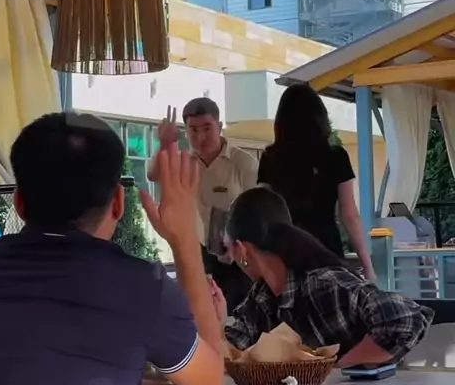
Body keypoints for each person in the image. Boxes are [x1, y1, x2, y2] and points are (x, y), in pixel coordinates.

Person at [0, 112, 223, 385]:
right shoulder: (141, 288)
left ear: (19, 203)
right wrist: (184, 239)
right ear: (119, 203)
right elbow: (210, 379)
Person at [214, 186, 433, 368]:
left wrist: (337, 370)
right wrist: (216, 324)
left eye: (228, 248)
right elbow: (230, 357)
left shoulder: (324, 285)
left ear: (242, 250)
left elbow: (406, 318)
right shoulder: (260, 301)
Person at [257, 83, 376, 280]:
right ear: (320, 118)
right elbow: (349, 215)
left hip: (284, 252)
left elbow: (264, 211)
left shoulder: (271, 158)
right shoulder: (336, 157)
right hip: (327, 249)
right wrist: (367, 266)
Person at [149, 100, 258, 312]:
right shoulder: (184, 161)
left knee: (239, 314)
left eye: (207, 128)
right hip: (197, 253)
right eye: (193, 130)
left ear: (220, 126)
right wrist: (164, 143)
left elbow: (256, 210)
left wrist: (240, 244)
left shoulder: (243, 163)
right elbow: (152, 175)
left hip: (239, 254)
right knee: (201, 313)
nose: (201, 137)